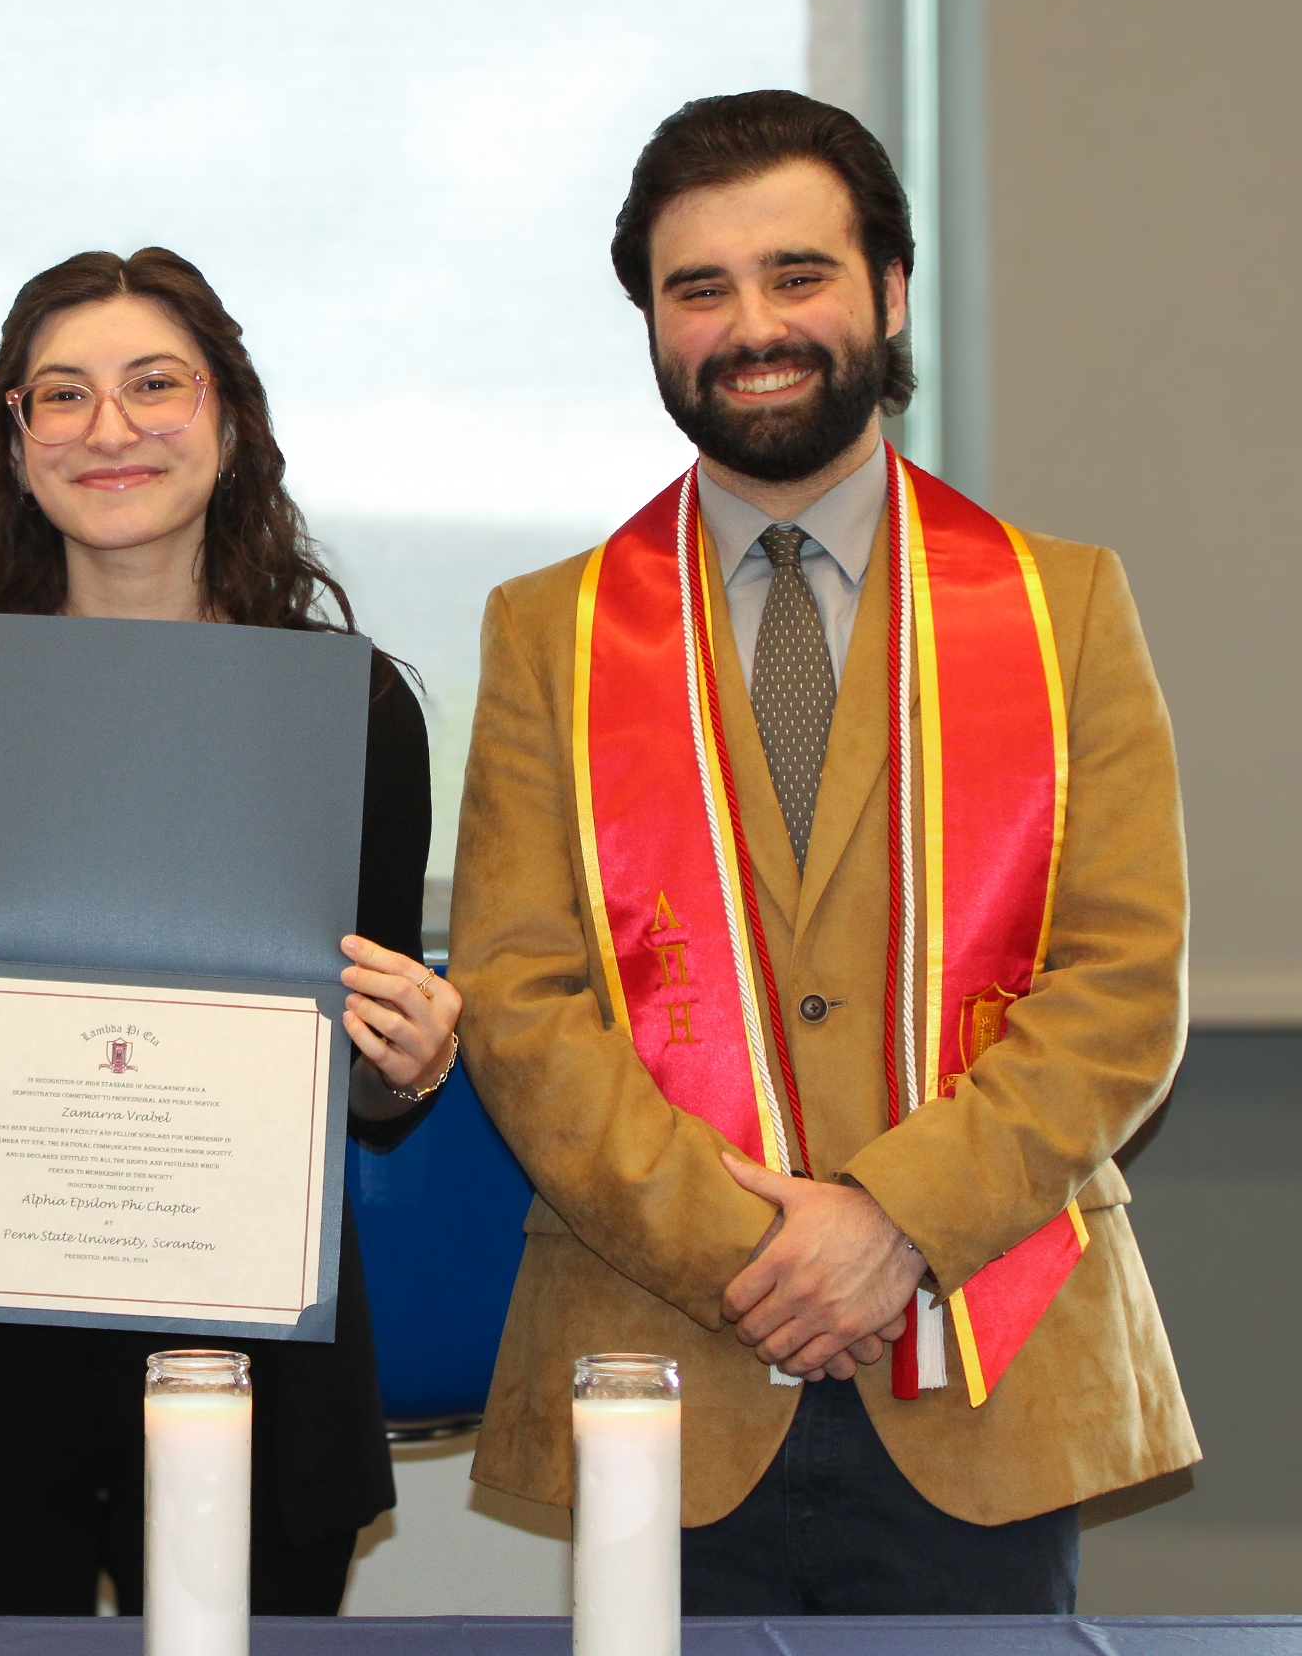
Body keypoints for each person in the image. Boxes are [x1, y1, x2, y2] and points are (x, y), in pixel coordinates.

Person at [450, 91, 1198, 1614]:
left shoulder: (1064, 608)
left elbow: (1124, 986)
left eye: (797, 274)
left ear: (889, 291)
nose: (751, 325)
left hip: (991, 1368)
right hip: (657, 1366)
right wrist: (763, 1256)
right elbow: (519, 1002)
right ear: (653, 325)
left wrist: (894, 1227)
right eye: (698, 289)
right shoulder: (551, 632)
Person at [0, 247, 462, 1615]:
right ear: (15, 442)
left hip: (247, 1347)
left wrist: (414, 1057)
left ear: (229, 420)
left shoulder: (355, 714)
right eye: (62, 396)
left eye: (155, 385)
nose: (111, 428)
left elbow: (370, 1103)